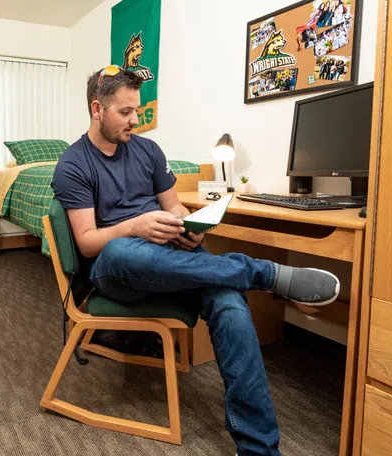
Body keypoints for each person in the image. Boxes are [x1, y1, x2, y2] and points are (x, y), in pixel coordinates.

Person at [51, 66, 341, 456]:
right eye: (125, 112)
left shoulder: (149, 151)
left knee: (230, 303)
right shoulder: (73, 164)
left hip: (172, 258)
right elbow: (87, 244)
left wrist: (193, 231)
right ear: (97, 109)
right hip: (118, 267)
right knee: (122, 250)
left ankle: (257, 448)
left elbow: (173, 206)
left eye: (138, 111)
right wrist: (135, 226)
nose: (135, 121)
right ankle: (263, 273)